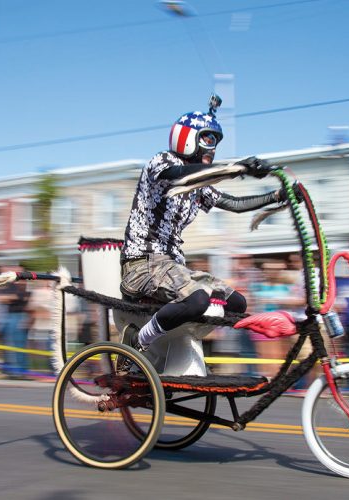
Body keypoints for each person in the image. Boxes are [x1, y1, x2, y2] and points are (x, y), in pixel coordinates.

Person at [119, 95, 301, 354]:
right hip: (142, 265)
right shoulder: (162, 162)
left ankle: (180, 348)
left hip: (172, 267)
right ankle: (139, 341)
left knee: (236, 302)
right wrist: (239, 168)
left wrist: (278, 196)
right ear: (187, 137)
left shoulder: (199, 186)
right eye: (208, 139)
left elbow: (235, 204)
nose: (212, 148)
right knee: (198, 299)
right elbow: (181, 175)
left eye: (214, 142)